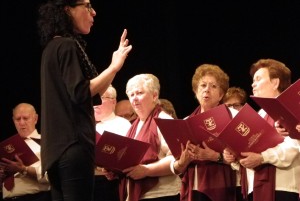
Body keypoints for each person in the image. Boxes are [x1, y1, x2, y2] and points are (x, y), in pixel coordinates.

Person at [37, 0, 132, 201]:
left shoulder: (51, 48)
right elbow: (80, 92)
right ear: (68, 9)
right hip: (73, 146)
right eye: (87, 6)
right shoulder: (68, 46)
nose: (93, 12)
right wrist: (114, 66)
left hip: (55, 150)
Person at [227, 59, 300, 201]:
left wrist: (262, 158)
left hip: (283, 188)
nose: (253, 84)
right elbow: (249, 154)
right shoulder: (257, 115)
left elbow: (293, 148)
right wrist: (235, 157)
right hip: (255, 188)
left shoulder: (290, 107)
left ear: (275, 82)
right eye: (253, 80)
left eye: (258, 79)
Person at [107, 74, 181, 201]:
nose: (134, 99)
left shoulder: (164, 120)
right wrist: (115, 170)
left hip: (162, 194)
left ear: (154, 95)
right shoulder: (135, 125)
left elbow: (177, 158)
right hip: (138, 195)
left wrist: (146, 170)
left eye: (139, 93)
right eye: (131, 95)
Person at [170, 64, 238, 201]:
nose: (207, 90)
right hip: (193, 189)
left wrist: (214, 156)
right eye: (203, 85)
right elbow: (175, 166)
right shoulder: (186, 122)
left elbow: (243, 157)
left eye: (214, 86)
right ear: (195, 91)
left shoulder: (233, 116)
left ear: (221, 95)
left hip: (225, 187)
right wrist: (183, 161)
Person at [1, 103, 51, 200]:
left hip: (37, 197)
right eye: (18, 119)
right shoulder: (6, 146)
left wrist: (23, 169)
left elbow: (53, 175)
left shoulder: (46, 143)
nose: (22, 123)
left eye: (26, 118)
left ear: (35, 119)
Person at [93, 85, 131, 201]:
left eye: (101, 98)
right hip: (88, 182)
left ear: (113, 102)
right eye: (93, 99)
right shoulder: (88, 125)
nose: (95, 103)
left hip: (111, 183)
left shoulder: (123, 124)